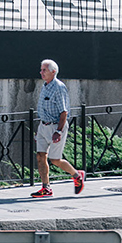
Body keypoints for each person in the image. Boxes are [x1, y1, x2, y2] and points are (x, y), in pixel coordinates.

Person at [30, 59, 85, 198]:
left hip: (55, 127)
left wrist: (58, 131)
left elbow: (64, 112)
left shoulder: (59, 87)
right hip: (44, 126)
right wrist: (41, 128)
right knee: (40, 156)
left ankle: (77, 175)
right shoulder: (45, 85)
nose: (41, 72)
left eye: (44, 70)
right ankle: (46, 187)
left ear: (53, 72)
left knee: (55, 160)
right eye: (41, 69)